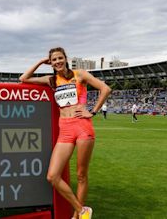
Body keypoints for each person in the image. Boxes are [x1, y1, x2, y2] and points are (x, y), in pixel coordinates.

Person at [19, 47, 111, 219]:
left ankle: (77, 216)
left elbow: (105, 89)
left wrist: (93, 111)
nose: (58, 62)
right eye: (54, 60)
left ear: (65, 58)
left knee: (81, 175)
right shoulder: (51, 79)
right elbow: (23, 79)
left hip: (83, 126)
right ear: (50, 63)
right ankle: (82, 210)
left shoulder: (80, 74)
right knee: (52, 176)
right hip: (65, 129)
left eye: (60, 58)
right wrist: (40, 62)